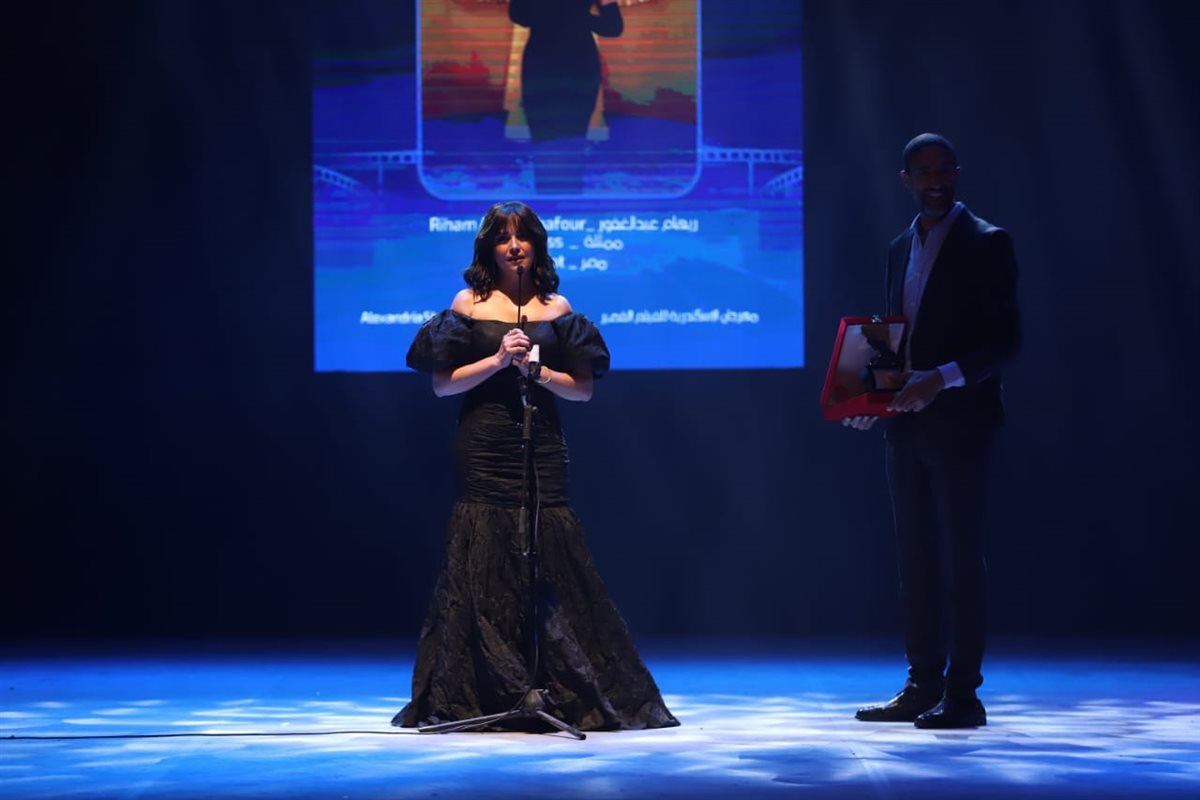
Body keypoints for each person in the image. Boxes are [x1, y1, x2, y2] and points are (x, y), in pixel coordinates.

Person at [393, 200, 678, 732]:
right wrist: (498, 360)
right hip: (484, 444)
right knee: (483, 553)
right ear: (489, 247)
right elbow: (442, 386)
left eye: (522, 237)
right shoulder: (468, 304)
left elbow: (583, 391)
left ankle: (554, 685)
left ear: (536, 246)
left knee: (550, 554)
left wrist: (538, 371)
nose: (513, 246)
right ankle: (488, 688)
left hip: (540, 443)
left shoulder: (556, 308)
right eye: (503, 238)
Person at [845, 134, 1020, 729]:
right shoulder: (900, 247)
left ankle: (964, 696)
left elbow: (1005, 342)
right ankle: (923, 684)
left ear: (957, 173)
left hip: (962, 423)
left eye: (944, 170)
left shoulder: (988, 241)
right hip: (906, 425)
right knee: (914, 560)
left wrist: (940, 380)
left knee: (960, 560)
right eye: (924, 172)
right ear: (907, 180)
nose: (936, 180)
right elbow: (895, 341)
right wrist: (869, 398)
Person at [509, 0, 624, 193]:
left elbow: (613, 26)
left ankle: (559, 200)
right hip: (557, 63)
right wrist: (576, 16)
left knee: (562, 139)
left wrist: (566, 15)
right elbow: (519, 14)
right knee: (555, 138)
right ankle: (558, 200)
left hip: (560, 63)